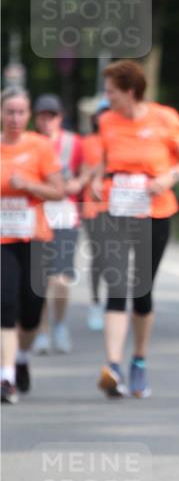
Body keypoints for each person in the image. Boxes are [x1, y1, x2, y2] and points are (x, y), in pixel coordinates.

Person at [92, 60, 179, 399]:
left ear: (130, 91)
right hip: (116, 211)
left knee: (141, 290)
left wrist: (168, 178)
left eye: (111, 91)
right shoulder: (106, 121)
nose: (107, 98)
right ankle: (113, 366)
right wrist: (96, 181)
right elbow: (103, 160)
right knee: (116, 285)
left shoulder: (164, 118)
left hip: (155, 211)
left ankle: (138, 360)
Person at [1, 87, 64, 403]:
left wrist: (28, 185)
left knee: (31, 309)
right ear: (1, 113)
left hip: (35, 237)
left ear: (28, 115)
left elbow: (58, 191)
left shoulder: (40, 146)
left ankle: (22, 357)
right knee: (5, 304)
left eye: (20, 112)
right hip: (3, 240)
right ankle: (6, 376)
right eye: (9, 112)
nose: (15, 118)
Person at [32, 94, 84, 354]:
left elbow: (90, 169)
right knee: (41, 278)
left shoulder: (74, 143)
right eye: (42, 116)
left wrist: (78, 183)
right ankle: (41, 331)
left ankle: (60, 324)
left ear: (59, 118)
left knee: (61, 278)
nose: (47, 121)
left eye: (51, 116)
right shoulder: (30, 143)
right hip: (37, 215)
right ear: (36, 119)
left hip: (65, 214)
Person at [80, 99, 108, 331]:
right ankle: (96, 302)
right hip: (92, 208)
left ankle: (114, 302)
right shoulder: (86, 142)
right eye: (102, 113)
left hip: (118, 207)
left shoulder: (120, 140)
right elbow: (79, 173)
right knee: (99, 256)